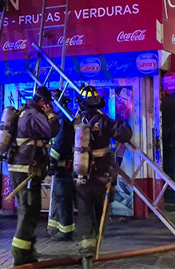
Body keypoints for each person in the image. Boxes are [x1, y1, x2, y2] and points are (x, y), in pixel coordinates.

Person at [73, 85, 132, 269]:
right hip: (100, 178)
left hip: (79, 178)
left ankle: (86, 254)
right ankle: (95, 246)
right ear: (98, 102)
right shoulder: (103, 120)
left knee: (84, 213)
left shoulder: (74, 122)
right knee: (100, 212)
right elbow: (125, 134)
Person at [8, 86, 60, 265]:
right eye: (47, 103)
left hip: (22, 168)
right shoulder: (32, 114)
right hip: (27, 171)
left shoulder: (23, 112)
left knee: (27, 209)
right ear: (42, 102)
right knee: (29, 210)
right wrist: (51, 114)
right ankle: (20, 255)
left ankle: (27, 249)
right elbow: (52, 130)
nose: (48, 106)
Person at [47, 90, 76, 241]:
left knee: (62, 196)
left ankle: (65, 230)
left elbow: (59, 142)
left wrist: (51, 160)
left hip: (63, 164)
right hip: (60, 164)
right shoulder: (63, 116)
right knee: (57, 195)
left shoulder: (63, 118)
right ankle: (56, 226)